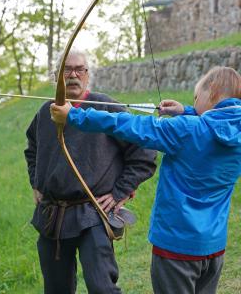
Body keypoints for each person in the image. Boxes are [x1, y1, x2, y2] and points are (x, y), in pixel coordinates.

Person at [50, 66, 241, 294]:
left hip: (176, 248)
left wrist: (74, 115)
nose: (194, 101)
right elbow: (214, 125)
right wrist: (187, 111)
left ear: (212, 92)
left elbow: (131, 126)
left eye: (196, 97)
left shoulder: (186, 130)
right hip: (214, 247)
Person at [24, 49, 157, 294]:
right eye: (66, 69)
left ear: (87, 75)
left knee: (101, 287)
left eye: (79, 69)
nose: (73, 75)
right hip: (52, 215)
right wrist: (36, 181)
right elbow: (32, 149)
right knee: (56, 289)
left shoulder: (105, 107)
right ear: (57, 76)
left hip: (93, 213)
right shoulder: (45, 112)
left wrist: (121, 191)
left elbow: (144, 150)